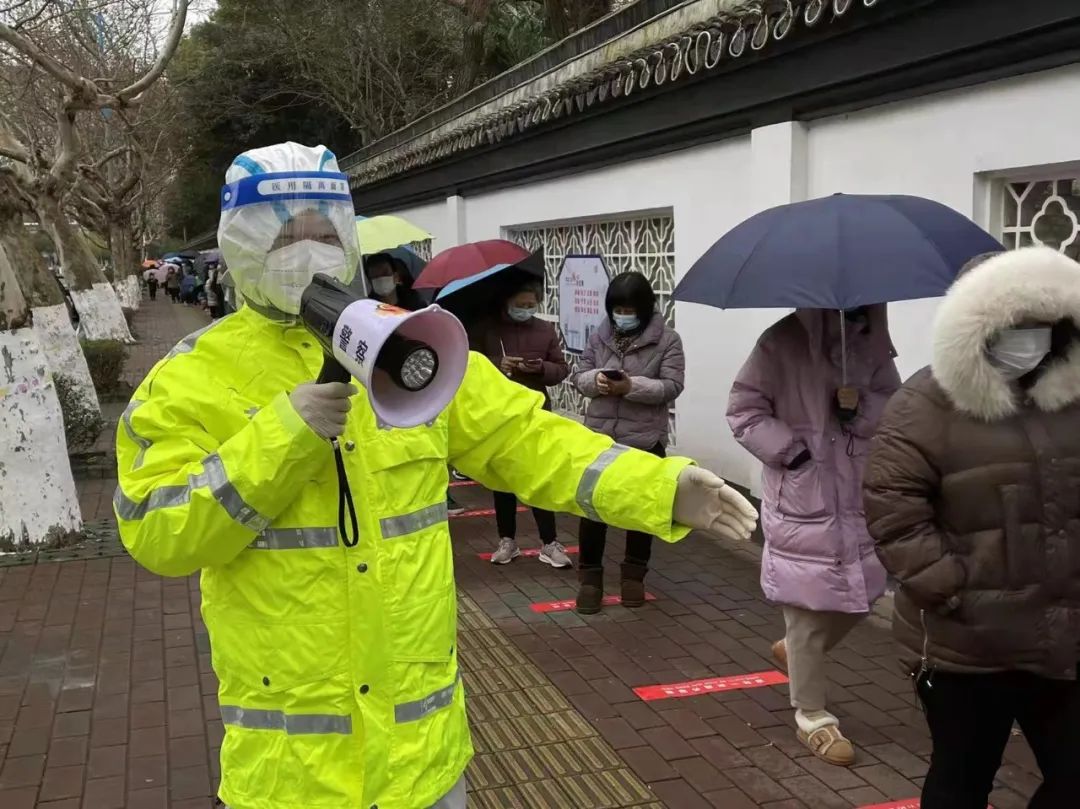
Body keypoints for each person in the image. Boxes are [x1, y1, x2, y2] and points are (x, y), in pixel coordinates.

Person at [113, 142, 758, 809]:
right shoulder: (191, 379)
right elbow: (158, 530)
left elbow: (529, 440)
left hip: (425, 765)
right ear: (240, 241)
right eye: (284, 233)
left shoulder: (413, 347)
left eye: (325, 229)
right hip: (288, 780)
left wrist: (663, 488)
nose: (309, 250)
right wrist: (283, 435)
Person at [865, 247, 1080, 809]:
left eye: (1040, 325)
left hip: (1062, 632)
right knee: (962, 779)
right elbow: (893, 508)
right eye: (1013, 325)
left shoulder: (1072, 398)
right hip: (966, 645)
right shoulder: (923, 405)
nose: (1028, 338)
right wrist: (951, 585)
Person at [726, 304, 900, 766]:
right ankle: (811, 715)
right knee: (804, 608)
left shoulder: (872, 343)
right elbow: (743, 409)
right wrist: (791, 451)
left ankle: (796, 653)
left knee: (865, 591)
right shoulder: (780, 341)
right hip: (803, 493)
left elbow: (894, 404)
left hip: (859, 492)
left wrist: (860, 406)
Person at [571, 272, 685, 612]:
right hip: (600, 441)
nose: (623, 315)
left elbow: (671, 386)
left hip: (644, 439)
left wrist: (630, 386)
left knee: (641, 511)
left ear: (645, 308)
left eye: (629, 309)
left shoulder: (668, 340)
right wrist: (598, 381)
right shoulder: (599, 336)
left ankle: (634, 577)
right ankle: (590, 581)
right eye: (617, 309)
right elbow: (579, 376)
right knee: (592, 511)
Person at [473, 279, 572, 567]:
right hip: (500, 413)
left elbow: (561, 369)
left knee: (539, 478)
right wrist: (496, 364)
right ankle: (507, 541)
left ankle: (549, 543)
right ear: (507, 303)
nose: (525, 310)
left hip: (535, 413)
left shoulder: (544, 330)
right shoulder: (487, 328)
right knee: (502, 480)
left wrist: (540, 367)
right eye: (520, 305)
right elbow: (470, 362)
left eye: (531, 306)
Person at [362, 252, 464, 515]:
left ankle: (444, 493)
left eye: (383, 273)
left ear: (396, 276)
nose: (379, 280)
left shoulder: (417, 307)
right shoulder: (365, 312)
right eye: (373, 276)